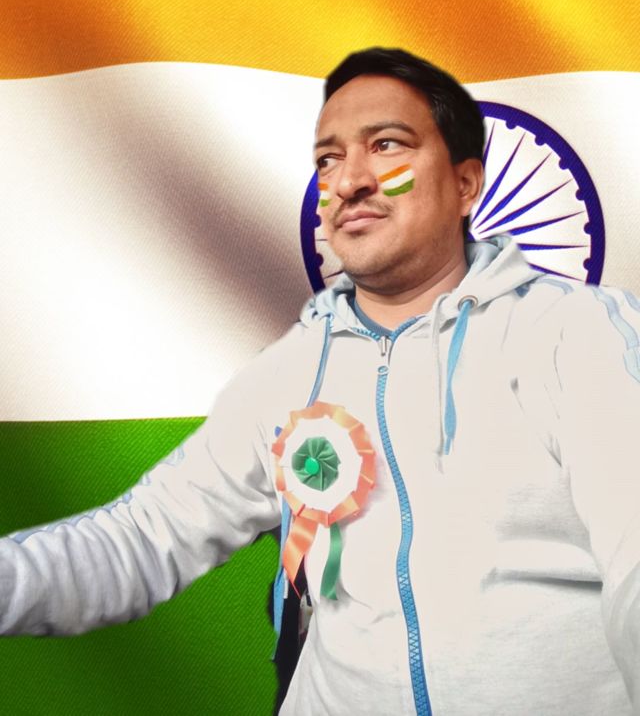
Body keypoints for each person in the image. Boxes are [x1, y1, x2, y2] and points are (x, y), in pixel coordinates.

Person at [1, 47, 639, 716]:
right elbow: (136, 543)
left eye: (386, 145)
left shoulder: (579, 336)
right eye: (329, 159)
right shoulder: (286, 374)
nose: (350, 181)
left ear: (465, 183)